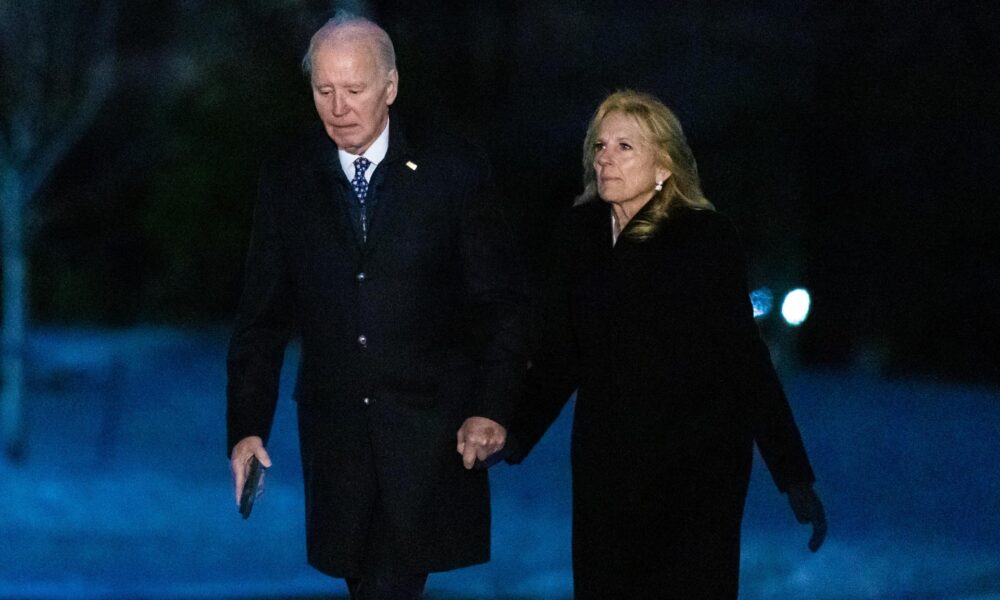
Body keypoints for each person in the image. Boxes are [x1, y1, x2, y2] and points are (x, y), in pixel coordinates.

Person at [225, 14, 525, 600]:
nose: (338, 107)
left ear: (390, 87)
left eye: (355, 89)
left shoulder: (451, 171)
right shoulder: (289, 178)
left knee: (391, 584)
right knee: (365, 583)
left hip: (431, 439)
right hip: (337, 441)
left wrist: (493, 408)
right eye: (324, 90)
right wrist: (245, 430)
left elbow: (504, 304)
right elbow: (261, 318)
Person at [506, 90, 827, 598]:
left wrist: (793, 475)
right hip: (606, 469)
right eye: (599, 146)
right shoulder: (580, 236)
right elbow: (563, 353)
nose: (605, 156)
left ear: (664, 164)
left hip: (694, 476)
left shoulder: (703, 238)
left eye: (624, 146)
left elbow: (744, 358)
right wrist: (512, 433)